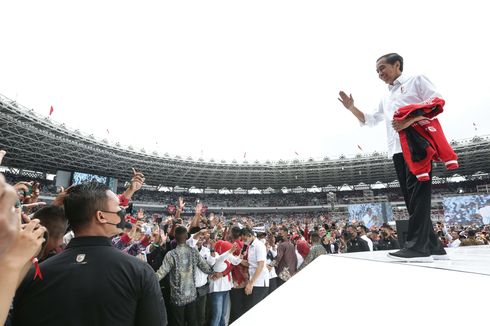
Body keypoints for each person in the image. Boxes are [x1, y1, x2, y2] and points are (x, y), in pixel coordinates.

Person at [339, 53, 447, 262]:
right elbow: (370, 120)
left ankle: (418, 249)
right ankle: (434, 247)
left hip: (417, 144)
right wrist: (352, 108)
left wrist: (410, 120)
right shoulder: (385, 97)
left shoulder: (416, 80)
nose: (380, 73)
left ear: (397, 65)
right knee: (411, 199)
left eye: (382, 68)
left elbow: (436, 102)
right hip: (397, 149)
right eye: (377, 71)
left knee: (419, 195)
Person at [12, 182, 167, 326]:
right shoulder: (139, 272)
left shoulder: (34, 274)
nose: (122, 212)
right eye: (119, 207)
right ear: (101, 216)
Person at [156, 226, 214, 326]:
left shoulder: (171, 254)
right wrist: (214, 270)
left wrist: (148, 280)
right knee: (192, 322)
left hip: (177, 297)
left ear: (175, 237)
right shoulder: (193, 251)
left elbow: (161, 272)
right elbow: (206, 268)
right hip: (192, 296)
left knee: (178, 323)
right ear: (187, 236)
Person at [240, 227, 269, 312]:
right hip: (254, 280)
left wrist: (250, 283)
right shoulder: (251, 246)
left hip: (259, 282)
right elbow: (250, 264)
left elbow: (260, 265)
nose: (244, 241)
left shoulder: (259, 245)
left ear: (249, 235)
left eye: (244, 238)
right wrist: (238, 260)